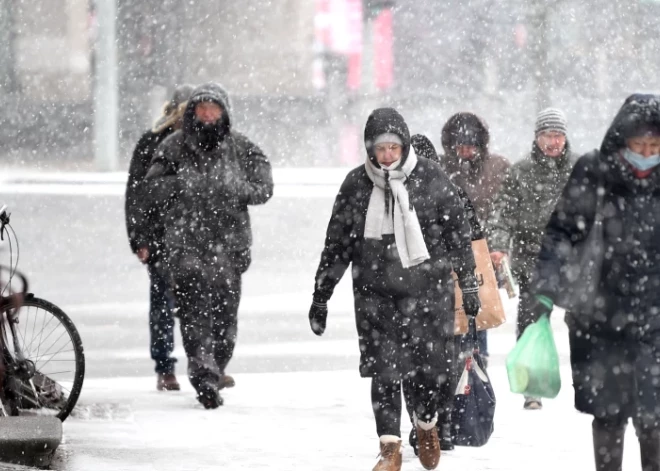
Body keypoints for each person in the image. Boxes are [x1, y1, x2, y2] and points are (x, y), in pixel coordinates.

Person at [308, 108, 480, 471]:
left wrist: (468, 285)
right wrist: (320, 296)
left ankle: (427, 425)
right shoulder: (357, 185)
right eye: (380, 148)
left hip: (427, 296)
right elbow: (337, 244)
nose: (387, 155)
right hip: (375, 296)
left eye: (393, 147)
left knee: (429, 374)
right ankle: (390, 448)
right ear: (370, 149)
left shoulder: (431, 178)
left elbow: (459, 238)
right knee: (384, 373)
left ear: (404, 144)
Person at [531, 94, 660, 471]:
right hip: (600, 314)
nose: (647, 154)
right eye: (640, 145)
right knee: (608, 414)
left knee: (654, 415)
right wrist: (545, 287)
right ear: (623, 140)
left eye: (655, 146)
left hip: (655, 318)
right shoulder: (594, 171)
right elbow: (560, 232)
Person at [143, 82, 274, 409]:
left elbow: (264, 187)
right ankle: (202, 374)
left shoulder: (241, 147)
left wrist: (236, 189)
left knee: (225, 317)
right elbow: (151, 188)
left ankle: (216, 367)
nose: (207, 115)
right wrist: (182, 186)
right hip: (186, 246)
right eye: (201, 109)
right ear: (192, 112)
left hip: (228, 247)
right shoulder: (173, 147)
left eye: (213, 109)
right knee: (193, 313)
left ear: (224, 112)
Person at [488, 107, 578, 410]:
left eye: (558, 135)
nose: (554, 142)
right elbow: (502, 214)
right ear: (537, 138)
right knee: (532, 321)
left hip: (573, 260)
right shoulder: (521, 172)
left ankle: (587, 380)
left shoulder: (579, 170)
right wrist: (499, 246)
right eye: (548, 135)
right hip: (533, 261)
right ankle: (532, 386)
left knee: (584, 320)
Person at [125, 84, 194, 391]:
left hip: (194, 235)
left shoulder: (202, 142)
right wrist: (140, 238)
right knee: (164, 302)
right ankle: (165, 367)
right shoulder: (152, 142)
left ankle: (200, 363)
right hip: (161, 236)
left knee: (195, 303)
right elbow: (136, 194)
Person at [437, 113, 510, 365]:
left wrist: (498, 245)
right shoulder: (439, 168)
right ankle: (459, 355)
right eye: (461, 146)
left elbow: (505, 208)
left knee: (480, 301)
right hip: (450, 249)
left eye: (471, 146)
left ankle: (478, 355)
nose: (466, 152)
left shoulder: (498, 168)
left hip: (484, 250)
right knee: (455, 302)